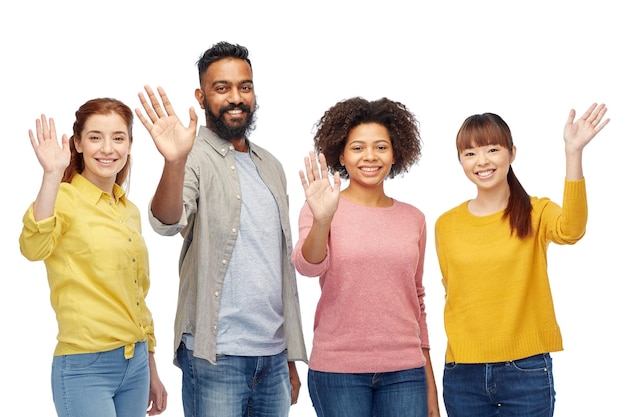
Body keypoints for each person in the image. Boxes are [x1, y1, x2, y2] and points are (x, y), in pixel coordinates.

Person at [134, 41, 308, 417]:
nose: (236, 97)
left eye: (244, 87)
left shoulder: (272, 166)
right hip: (216, 355)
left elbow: (277, 266)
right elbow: (166, 222)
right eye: (222, 87)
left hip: (273, 357)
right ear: (201, 96)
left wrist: (289, 356)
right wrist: (174, 162)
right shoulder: (192, 157)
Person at [434, 103, 610, 417]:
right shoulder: (446, 224)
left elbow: (572, 229)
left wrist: (573, 153)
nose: (482, 161)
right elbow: (454, 294)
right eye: (470, 153)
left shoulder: (534, 211)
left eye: (492, 149)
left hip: (526, 369)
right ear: (460, 160)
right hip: (463, 373)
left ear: (512, 153)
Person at [292, 97, 440, 417]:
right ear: (341, 156)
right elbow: (307, 266)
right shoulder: (322, 207)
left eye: (380, 147)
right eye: (357, 147)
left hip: (405, 371)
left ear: (395, 153)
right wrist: (322, 219)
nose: (370, 156)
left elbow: (417, 298)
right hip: (338, 370)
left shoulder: (413, 218)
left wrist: (430, 384)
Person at [19, 98, 167, 417]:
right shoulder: (64, 198)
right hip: (85, 367)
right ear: (78, 143)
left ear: (129, 144)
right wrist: (51, 176)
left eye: (118, 137)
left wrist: (151, 367)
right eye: (95, 137)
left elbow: (138, 296)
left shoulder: (128, 210)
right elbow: (33, 247)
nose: (107, 148)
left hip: (136, 363)